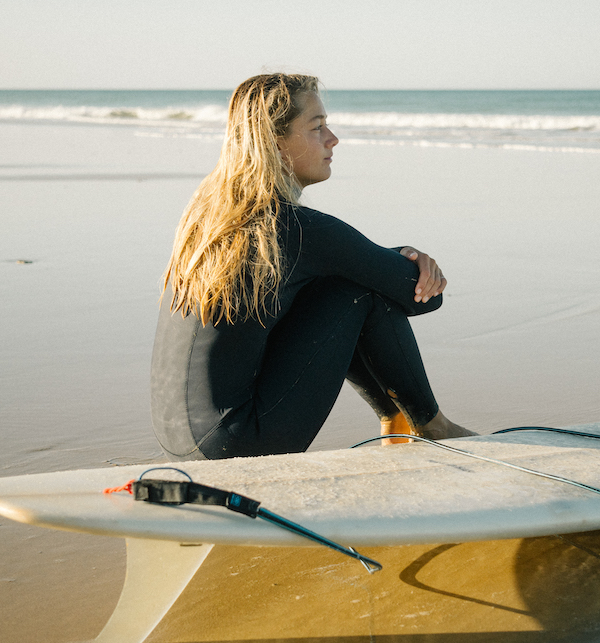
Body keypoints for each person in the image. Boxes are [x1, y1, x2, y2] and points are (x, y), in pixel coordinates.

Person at [150, 73, 473, 459]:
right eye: (317, 127)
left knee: (335, 280)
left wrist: (381, 260)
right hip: (237, 446)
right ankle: (431, 426)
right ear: (276, 143)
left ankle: (398, 424)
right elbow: (421, 298)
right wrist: (407, 256)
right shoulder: (294, 228)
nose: (333, 138)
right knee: (354, 288)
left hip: (181, 444)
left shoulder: (210, 219)